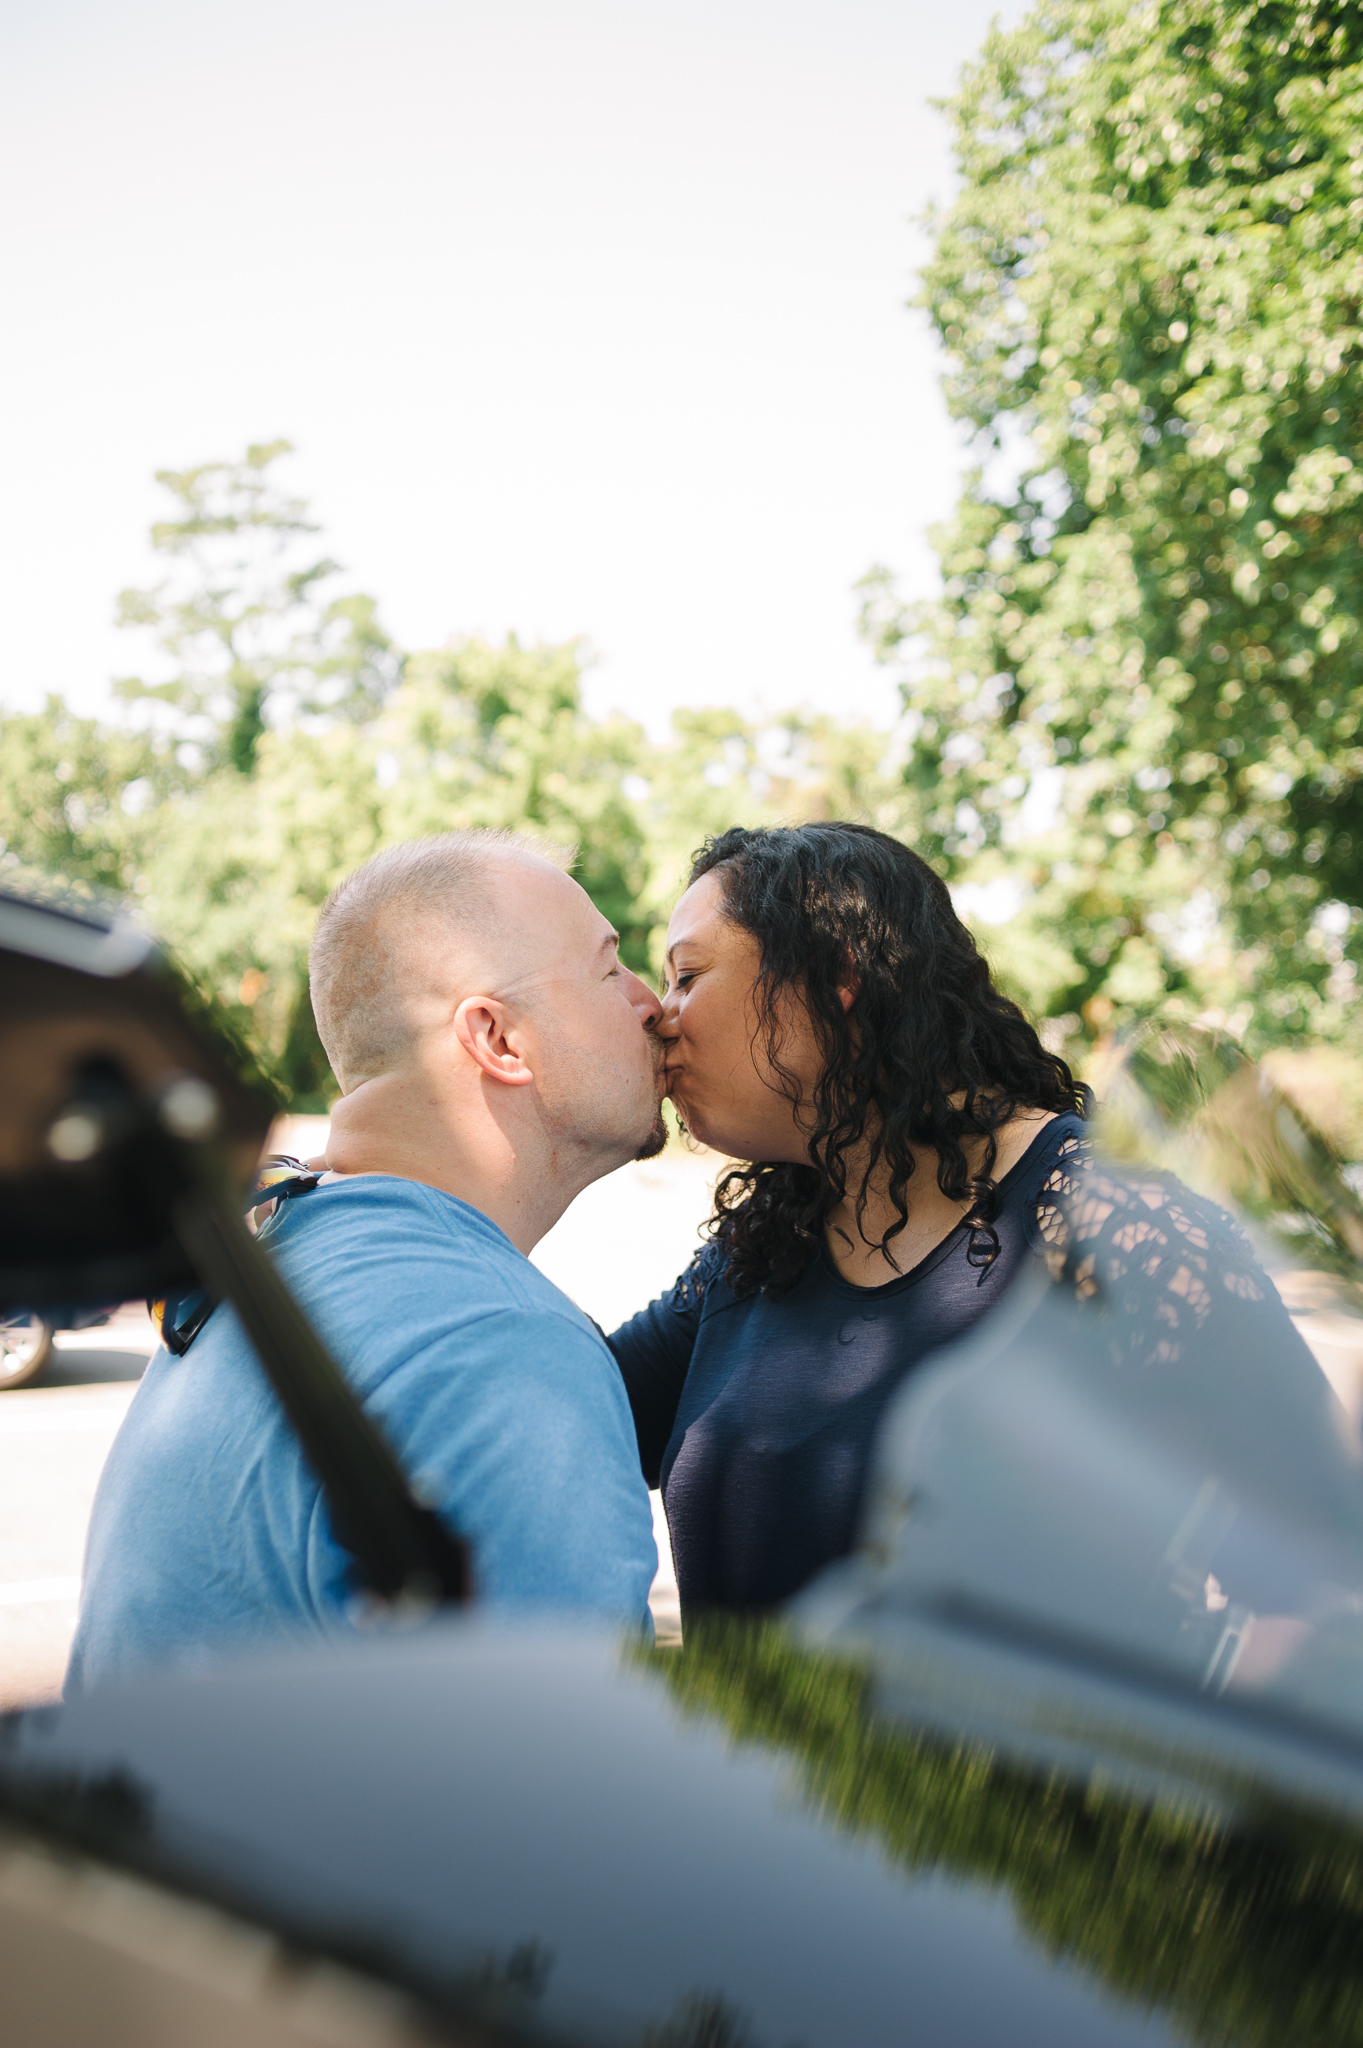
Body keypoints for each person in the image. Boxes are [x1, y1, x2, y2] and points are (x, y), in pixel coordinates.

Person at [69, 830, 664, 1689]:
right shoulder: (497, 1347)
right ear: (498, 1038)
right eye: (610, 970)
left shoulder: (278, 1254)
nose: (650, 1002)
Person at [607, 822, 1095, 1615]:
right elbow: (556, 1416)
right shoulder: (766, 1243)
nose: (662, 1017)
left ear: (838, 978)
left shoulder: (1097, 1213)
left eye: (687, 976)